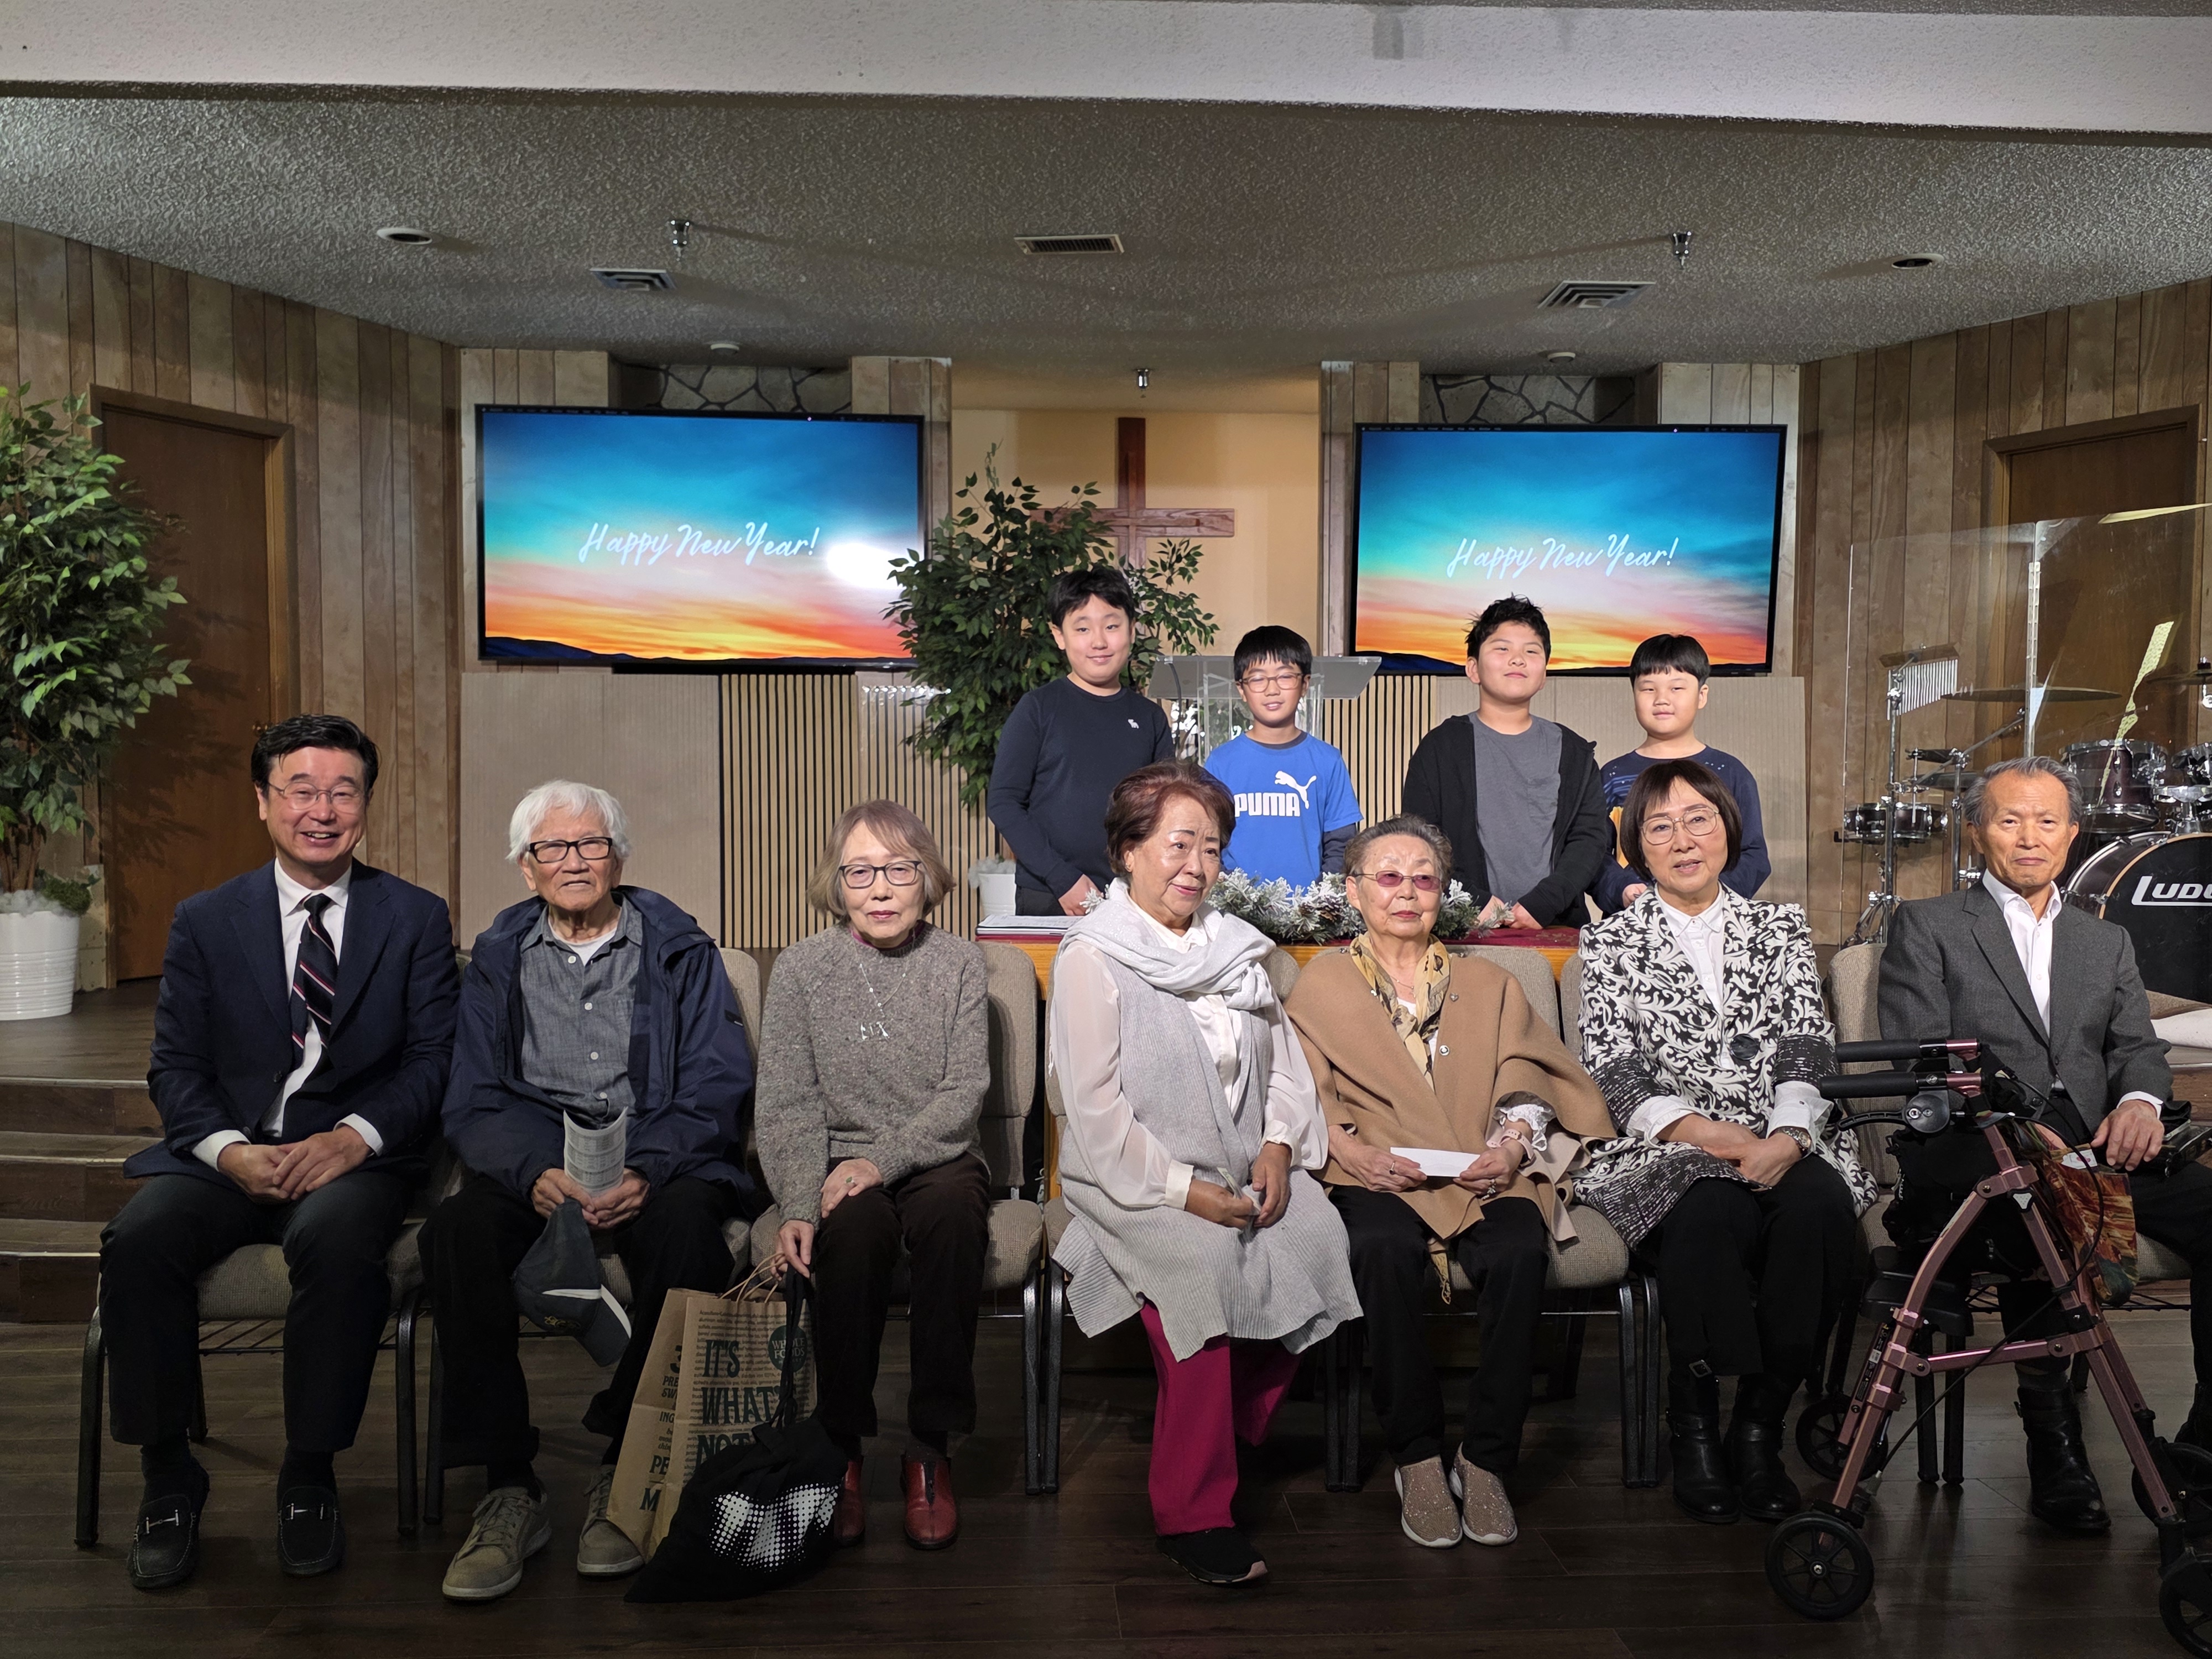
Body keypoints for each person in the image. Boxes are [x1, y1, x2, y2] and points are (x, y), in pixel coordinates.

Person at [101, 714, 459, 1591]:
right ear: (263, 802)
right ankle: (168, 1477)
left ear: (365, 806)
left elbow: (433, 1061)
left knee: (339, 1245)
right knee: (140, 1241)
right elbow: (175, 1067)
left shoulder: (414, 917)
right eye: (301, 791)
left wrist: (354, 1137)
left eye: (343, 792)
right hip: (230, 1156)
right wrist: (228, 1152)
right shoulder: (205, 919)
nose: (322, 811)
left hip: (350, 1159)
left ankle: (309, 1472)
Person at [421, 780, 756, 1602]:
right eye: (552, 848)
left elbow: (716, 1080)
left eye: (590, 844)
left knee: (690, 1236)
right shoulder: (498, 957)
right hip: (539, 1157)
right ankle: (508, 1485)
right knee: (456, 1234)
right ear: (526, 867)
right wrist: (536, 1172)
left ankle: (624, 1469)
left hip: (657, 1153)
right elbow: (473, 1095)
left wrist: (646, 1168)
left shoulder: (679, 948)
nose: (573, 861)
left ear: (618, 857)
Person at [1048, 760, 1360, 1586]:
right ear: (1127, 852)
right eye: (1177, 844)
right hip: (1133, 1173)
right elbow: (1095, 1112)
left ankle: (1227, 1427)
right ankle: (1193, 1513)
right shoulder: (1092, 957)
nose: (1197, 866)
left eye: (1212, 848)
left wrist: (1279, 1145)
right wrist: (1186, 1192)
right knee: (1201, 1280)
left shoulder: (1234, 949)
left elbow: (1284, 1064)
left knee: (1322, 1239)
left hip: (1240, 1159)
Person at [1880, 754, 2207, 1536]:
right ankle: (2055, 1445)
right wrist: (2021, 1129)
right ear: (1976, 833)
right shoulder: (1928, 926)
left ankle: (2200, 1448)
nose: (2030, 837)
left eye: (2048, 821)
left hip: (2103, 1149)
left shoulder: (2106, 941)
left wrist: (2138, 1102)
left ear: (2072, 834)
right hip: (1984, 1148)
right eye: (2009, 819)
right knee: (2036, 1212)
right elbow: (1920, 1059)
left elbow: (2138, 1049)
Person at [1286, 815, 1613, 1551]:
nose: (1407, 893)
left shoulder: (1489, 981)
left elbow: (1528, 1072)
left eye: (1424, 879)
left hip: (1480, 1165)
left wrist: (1514, 1143)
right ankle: (1418, 1456)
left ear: (1444, 893)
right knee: (1380, 1249)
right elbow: (1303, 1090)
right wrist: (1352, 1153)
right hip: (1374, 1169)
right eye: (1389, 877)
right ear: (1354, 891)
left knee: (1519, 1251)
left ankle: (1487, 1458)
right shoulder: (1322, 982)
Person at [1572, 760, 1874, 1525]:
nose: (1683, 840)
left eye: (1698, 820)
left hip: (1784, 1132)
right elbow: (1616, 1070)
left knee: (1819, 1212)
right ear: (1636, 848)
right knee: (1710, 1212)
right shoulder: (1608, 943)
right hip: (1669, 1145)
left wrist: (1789, 1135)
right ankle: (1696, 1421)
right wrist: (1719, 1140)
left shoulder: (1780, 928)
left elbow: (1807, 1045)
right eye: (1660, 827)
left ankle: (1759, 1425)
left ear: (1727, 829)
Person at [757, 801, 992, 1552]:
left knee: (952, 1218)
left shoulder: (959, 963)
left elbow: (963, 1095)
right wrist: (799, 1203)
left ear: (929, 878)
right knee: (851, 1235)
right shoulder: (801, 969)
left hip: (937, 1153)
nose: (881, 889)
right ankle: (842, 1448)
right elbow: (788, 1102)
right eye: (860, 872)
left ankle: (929, 1449)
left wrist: (880, 1162)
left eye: (898, 870)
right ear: (837, 884)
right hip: (834, 1159)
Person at [1400, 594, 1611, 930]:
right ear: (1473, 669)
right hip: (1464, 927)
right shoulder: (1440, 749)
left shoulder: (1574, 752)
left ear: (1544, 674)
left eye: (1532, 651)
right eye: (1502, 649)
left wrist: (1545, 902)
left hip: (1555, 927)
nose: (1517, 659)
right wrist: (1473, 900)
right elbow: (1420, 837)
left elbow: (1590, 840)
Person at [988, 565, 1176, 916]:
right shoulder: (1038, 709)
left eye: (1112, 626)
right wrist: (1061, 878)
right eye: (1083, 628)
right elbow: (1003, 802)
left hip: (1134, 896)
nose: (1099, 641)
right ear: (1059, 636)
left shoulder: (1150, 718)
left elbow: (1164, 811)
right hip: (1049, 892)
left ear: (1132, 630)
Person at [1592, 633, 1770, 911]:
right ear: (1633, 696)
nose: (1662, 700)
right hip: (1634, 919)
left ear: (1702, 695)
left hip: (1714, 920)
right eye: (1648, 689)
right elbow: (1594, 853)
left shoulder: (1730, 772)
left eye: (1676, 688)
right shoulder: (1613, 775)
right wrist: (1622, 888)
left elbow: (1753, 854)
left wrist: (1712, 897)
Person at [1203, 625, 1361, 886]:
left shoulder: (1327, 760)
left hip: (1308, 908)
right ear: (1241, 689)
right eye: (1258, 679)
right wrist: (1231, 894)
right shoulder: (1221, 762)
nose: (1272, 690)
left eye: (1285, 677)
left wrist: (1319, 900)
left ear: (1305, 684)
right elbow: (1207, 841)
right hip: (1235, 907)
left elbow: (1341, 844)